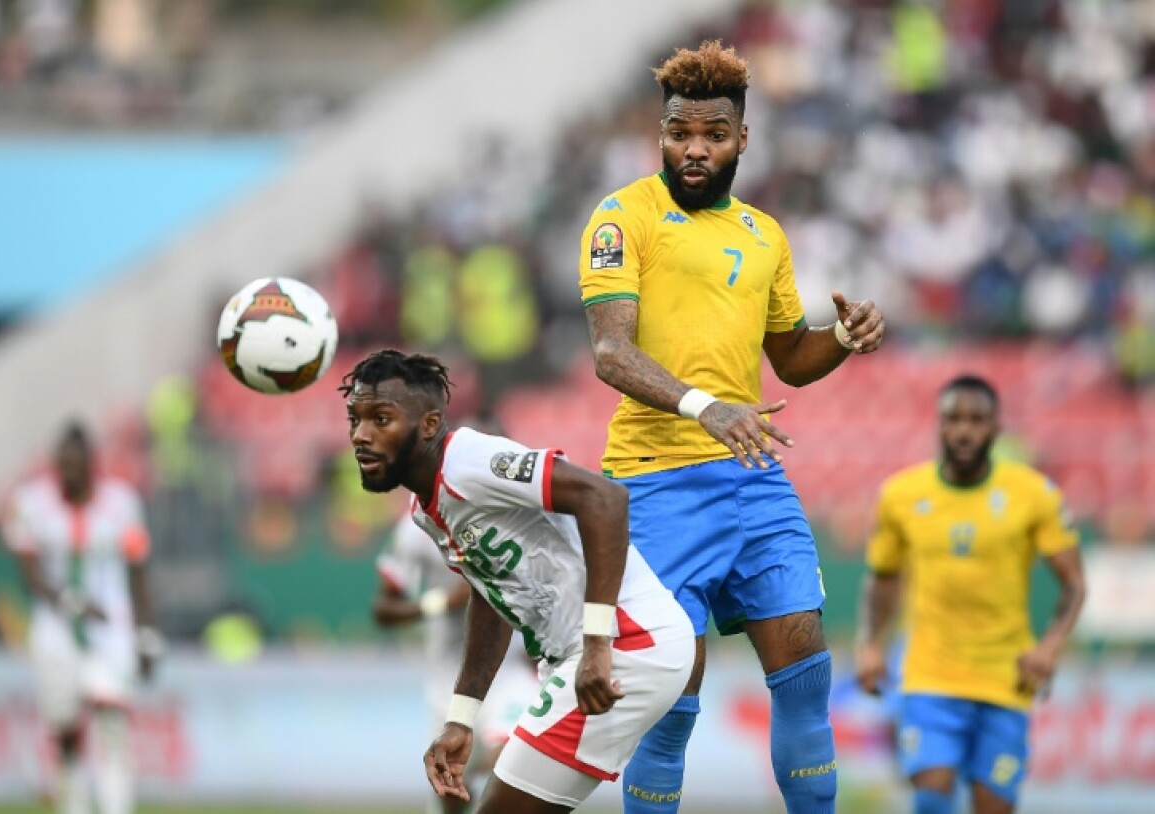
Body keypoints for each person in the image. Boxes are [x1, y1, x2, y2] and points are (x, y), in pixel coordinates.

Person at [578, 40, 885, 814]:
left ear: (741, 139)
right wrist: (704, 407)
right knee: (668, 703)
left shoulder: (763, 234)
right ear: (660, 134)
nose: (694, 148)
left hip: (751, 478)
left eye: (713, 134)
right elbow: (611, 353)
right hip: (654, 483)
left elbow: (791, 358)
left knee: (807, 674)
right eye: (679, 131)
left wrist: (842, 338)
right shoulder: (621, 217)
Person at [341, 349, 695, 813]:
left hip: (627, 644)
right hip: (580, 655)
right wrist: (461, 718)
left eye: (381, 419)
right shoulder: (425, 509)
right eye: (355, 419)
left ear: (428, 425)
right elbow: (491, 597)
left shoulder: (468, 460)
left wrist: (597, 643)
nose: (361, 435)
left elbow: (605, 498)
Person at [854, 375, 1086, 814]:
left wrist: (1051, 645)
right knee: (931, 796)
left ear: (996, 427)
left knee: (992, 806)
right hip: (929, 674)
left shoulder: (1033, 494)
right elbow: (883, 577)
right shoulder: (901, 495)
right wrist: (869, 644)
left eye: (977, 420)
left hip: (1006, 678)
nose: (964, 431)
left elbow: (1074, 582)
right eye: (953, 419)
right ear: (939, 425)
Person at [3, 421, 163, 814]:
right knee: (67, 729)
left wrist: (146, 633)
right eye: (62, 464)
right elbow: (30, 573)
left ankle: (115, 807)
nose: (68, 472)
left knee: (112, 720)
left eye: (75, 464)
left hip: (110, 625)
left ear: (92, 463)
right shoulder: (31, 502)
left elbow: (137, 570)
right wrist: (71, 603)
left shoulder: (122, 502)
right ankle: (73, 804)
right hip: (55, 628)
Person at [374, 509, 538, 814]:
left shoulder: (511, 510)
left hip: (510, 667)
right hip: (449, 676)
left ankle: (490, 793)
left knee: (511, 756)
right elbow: (382, 609)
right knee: (451, 789)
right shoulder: (417, 525)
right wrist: (441, 602)